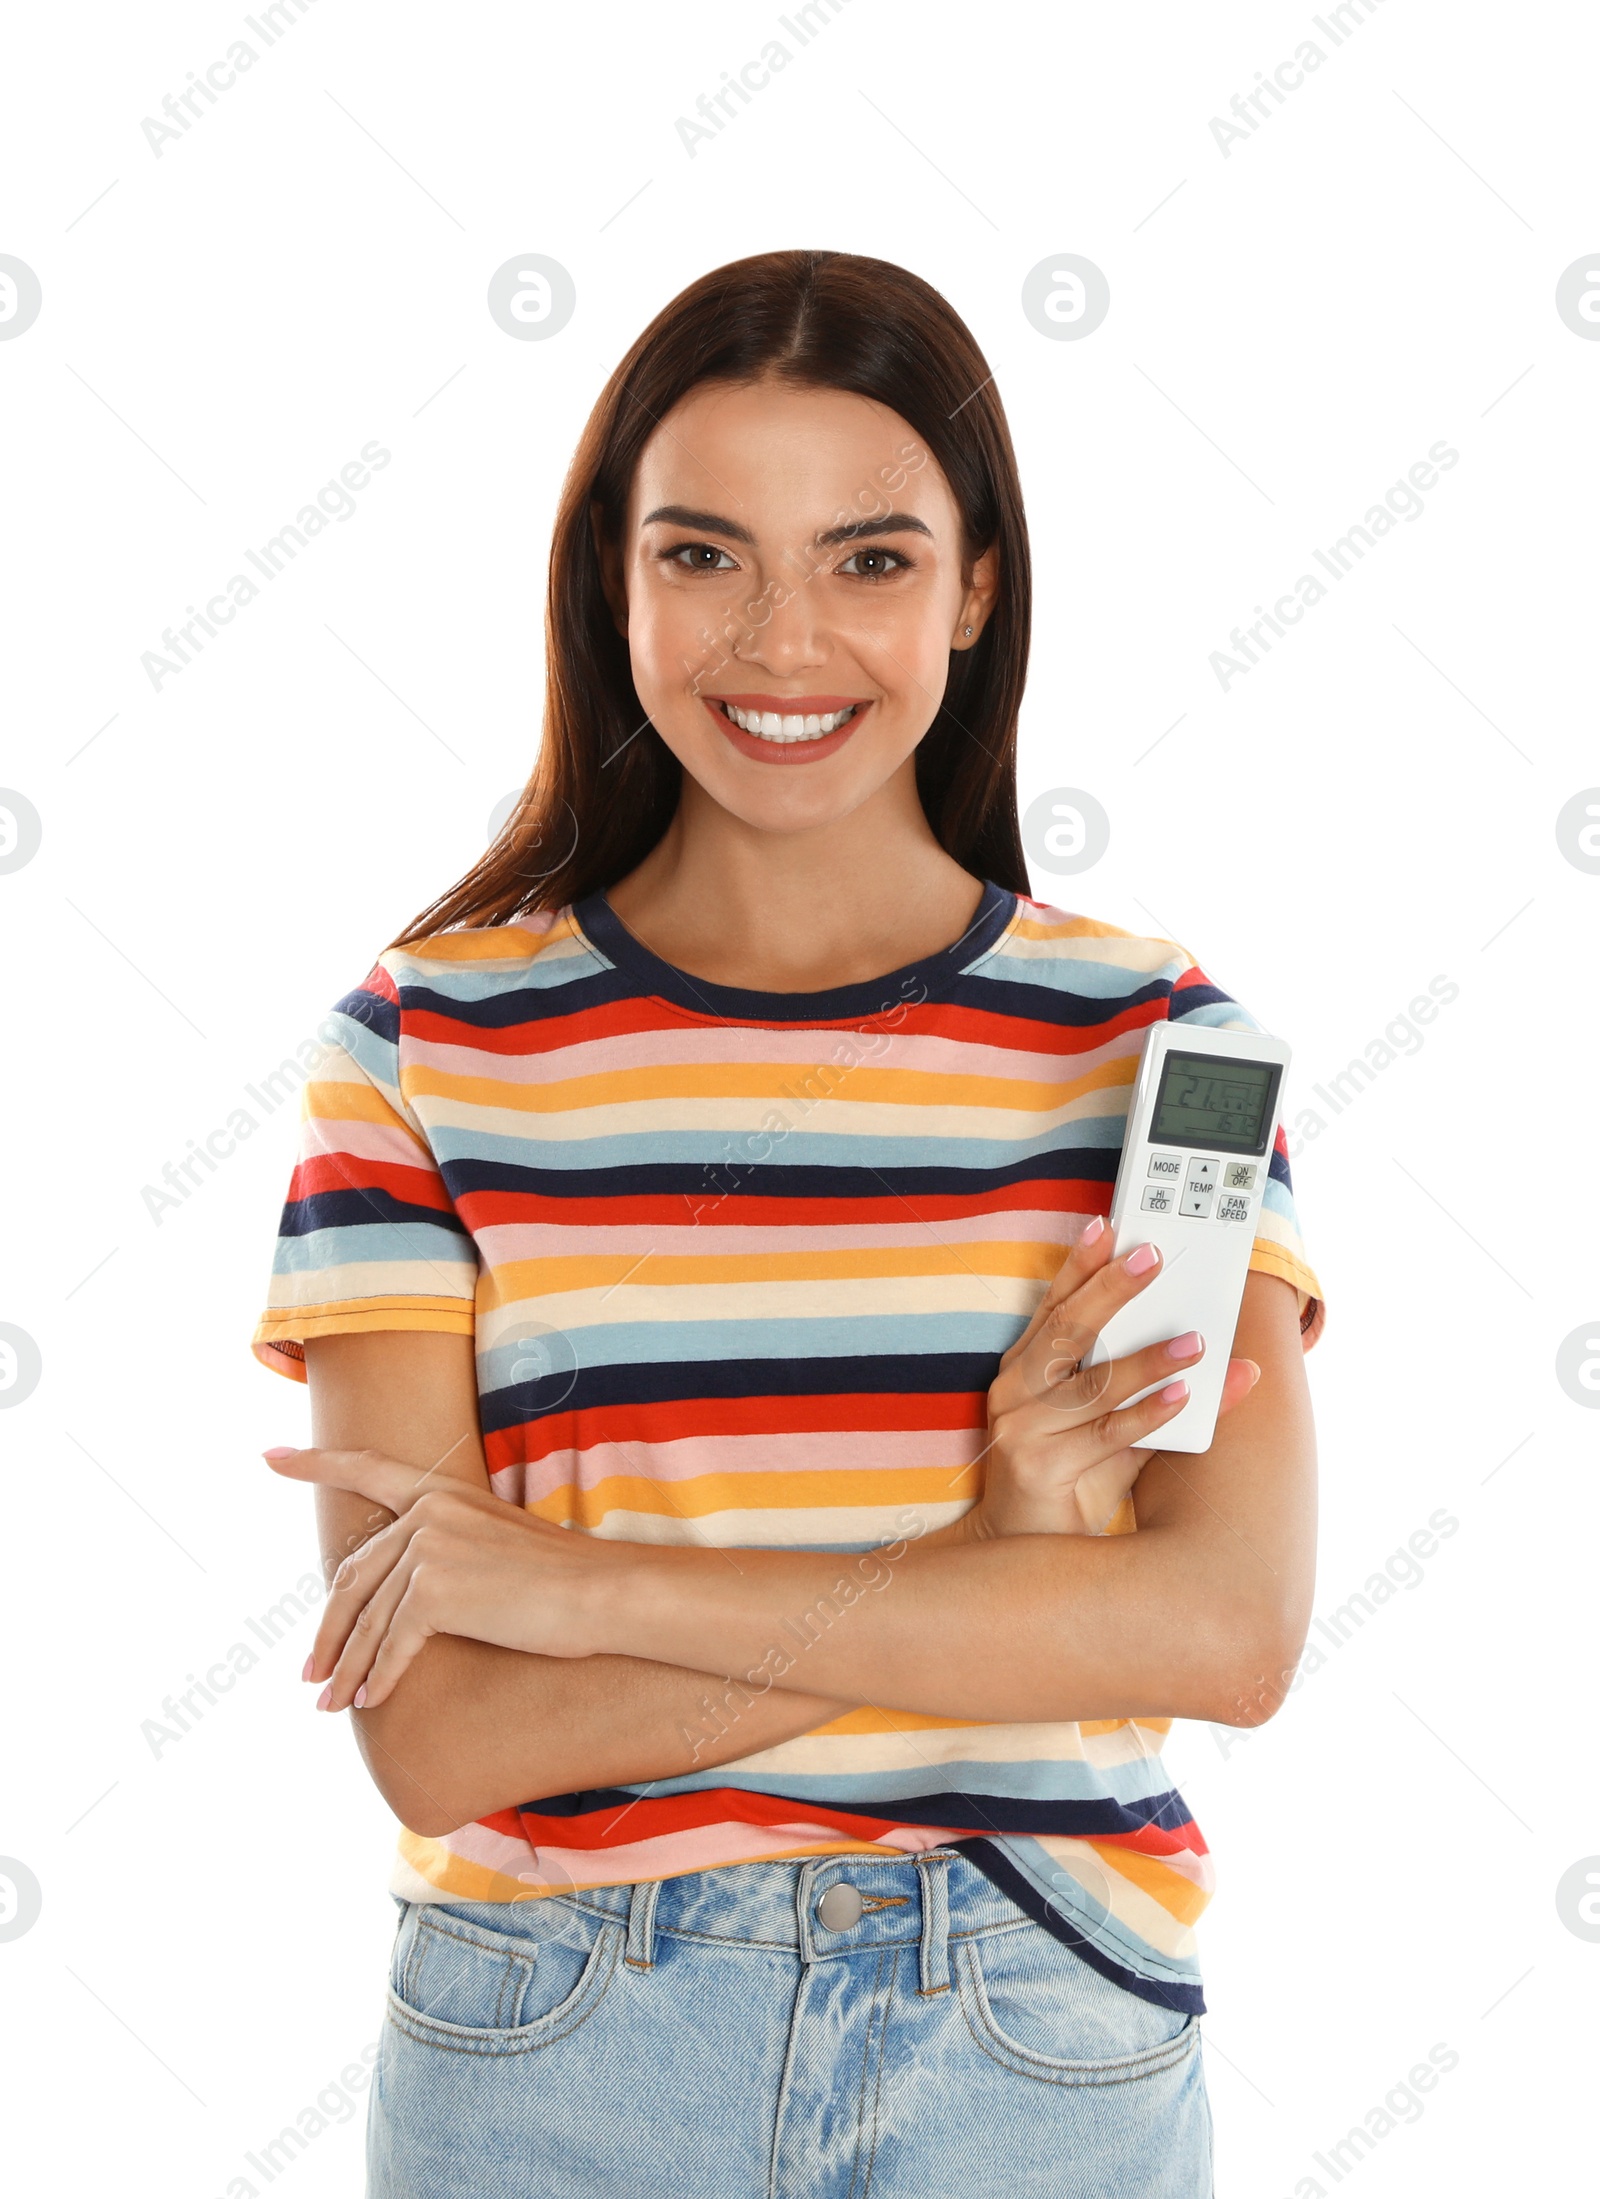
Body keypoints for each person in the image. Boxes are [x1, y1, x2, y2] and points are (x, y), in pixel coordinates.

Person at [252, 248, 1325, 2197]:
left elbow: (1218, 1622)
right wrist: (990, 1565)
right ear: (612, 574)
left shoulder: (1158, 1049)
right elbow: (436, 1735)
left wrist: (588, 1591)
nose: (778, 638)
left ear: (976, 582)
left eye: (867, 558)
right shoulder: (421, 1047)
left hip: (1024, 2023)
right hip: (555, 2038)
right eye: (702, 554)